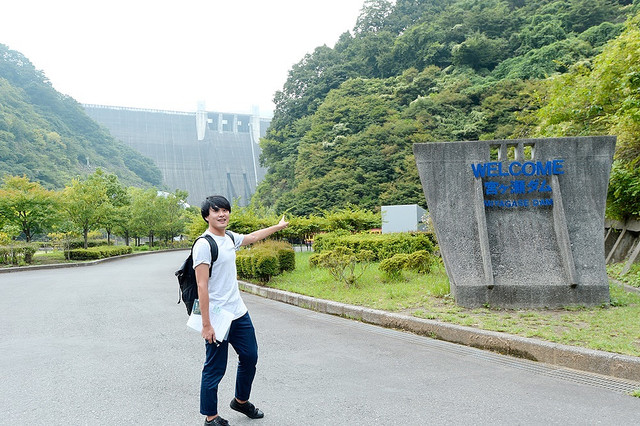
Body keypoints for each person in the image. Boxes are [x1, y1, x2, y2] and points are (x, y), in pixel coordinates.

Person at [193, 195, 288, 426]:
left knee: (250, 356)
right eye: (216, 211)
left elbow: (254, 237)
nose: (222, 214)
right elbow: (201, 286)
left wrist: (278, 226)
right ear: (207, 216)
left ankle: (241, 401)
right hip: (217, 315)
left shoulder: (230, 237)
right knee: (215, 367)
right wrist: (206, 324)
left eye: (225, 210)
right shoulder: (204, 244)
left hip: (238, 312)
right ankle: (210, 416)